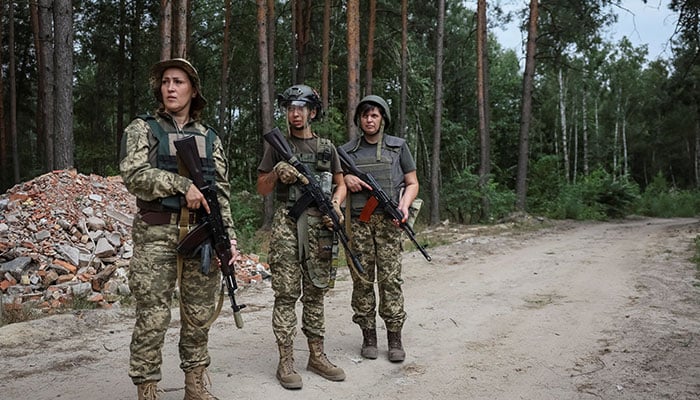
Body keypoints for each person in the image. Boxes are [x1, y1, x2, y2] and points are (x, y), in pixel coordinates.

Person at [120, 58, 238, 400]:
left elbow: (221, 193)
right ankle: (147, 388)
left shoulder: (209, 137)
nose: (170, 88)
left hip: (201, 236)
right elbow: (134, 175)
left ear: (193, 90)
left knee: (199, 315)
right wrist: (180, 184)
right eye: (166, 82)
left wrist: (227, 238)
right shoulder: (143, 129)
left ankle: (195, 386)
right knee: (153, 316)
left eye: (179, 82)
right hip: (156, 234)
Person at [257, 84, 347, 390]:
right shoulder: (276, 145)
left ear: (312, 112)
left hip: (320, 226)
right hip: (287, 225)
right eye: (291, 108)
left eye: (301, 108)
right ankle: (286, 360)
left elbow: (341, 183)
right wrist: (276, 171)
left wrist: (336, 205)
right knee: (285, 293)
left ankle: (316, 355)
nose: (295, 113)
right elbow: (262, 187)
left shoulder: (326, 148)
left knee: (316, 291)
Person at [339, 95, 419, 363]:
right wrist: (347, 178)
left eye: (374, 115)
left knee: (390, 280)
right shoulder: (346, 152)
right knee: (362, 279)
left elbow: (412, 182)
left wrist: (404, 206)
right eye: (365, 115)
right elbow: (334, 183)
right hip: (359, 222)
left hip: (388, 222)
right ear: (359, 120)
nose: (369, 120)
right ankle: (368, 335)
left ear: (383, 118)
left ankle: (394, 337)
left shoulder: (398, 148)